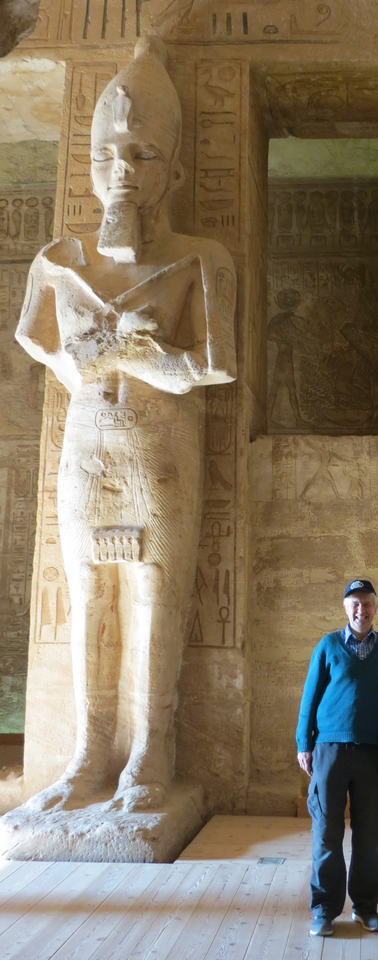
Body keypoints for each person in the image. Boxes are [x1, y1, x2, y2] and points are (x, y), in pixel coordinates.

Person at [15, 38, 236, 814]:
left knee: (154, 602)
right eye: (108, 151)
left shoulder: (197, 260)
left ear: (170, 172)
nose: (123, 168)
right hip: (85, 454)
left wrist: (132, 353)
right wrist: (101, 355)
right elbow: (42, 344)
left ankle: (150, 752)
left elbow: (209, 367)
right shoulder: (58, 261)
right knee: (88, 602)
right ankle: (86, 753)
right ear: (88, 160)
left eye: (142, 153)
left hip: (159, 452)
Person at [296, 579, 378, 937]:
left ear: (375, 607)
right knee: (326, 832)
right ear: (345, 608)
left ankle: (365, 907)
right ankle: (324, 910)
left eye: (367, 603)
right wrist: (303, 744)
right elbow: (310, 697)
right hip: (329, 751)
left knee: (369, 835)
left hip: (371, 752)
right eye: (354, 604)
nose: (361, 610)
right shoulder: (328, 646)